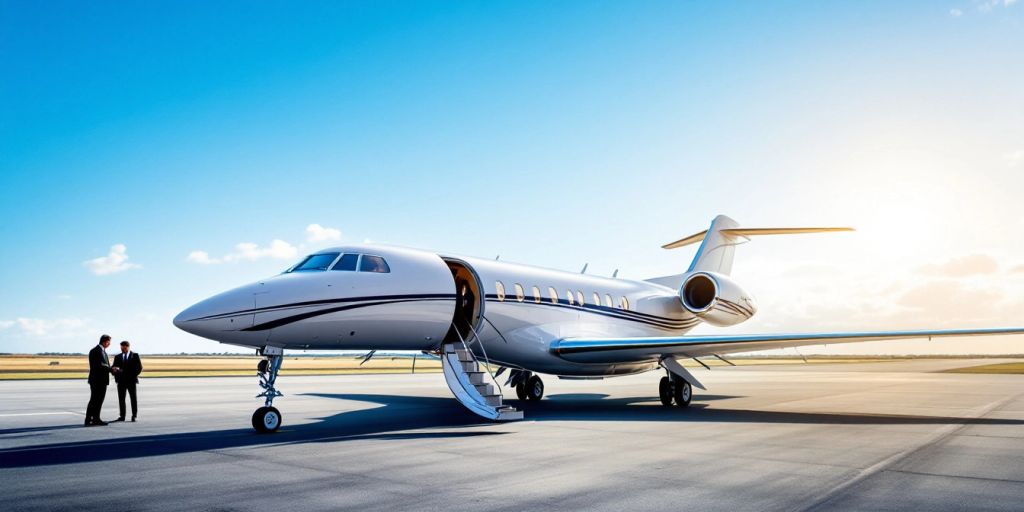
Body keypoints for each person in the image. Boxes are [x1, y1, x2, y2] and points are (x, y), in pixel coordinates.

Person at [85, 334, 114, 426]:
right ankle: (93, 419)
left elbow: (103, 365)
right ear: (105, 342)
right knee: (96, 400)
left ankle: (92, 419)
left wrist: (111, 368)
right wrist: (111, 369)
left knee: (95, 400)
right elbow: (100, 365)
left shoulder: (100, 351)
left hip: (97, 380)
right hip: (98, 380)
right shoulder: (98, 351)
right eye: (109, 342)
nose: (109, 344)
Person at [111, 340, 143, 422]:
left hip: (131, 381)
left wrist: (131, 375)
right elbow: (114, 367)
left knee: (133, 398)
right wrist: (114, 371)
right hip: (121, 381)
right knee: (121, 399)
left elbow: (139, 368)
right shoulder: (117, 357)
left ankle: (134, 415)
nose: (122, 350)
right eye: (121, 348)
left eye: (124, 348)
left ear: (128, 347)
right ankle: (122, 416)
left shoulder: (135, 356)